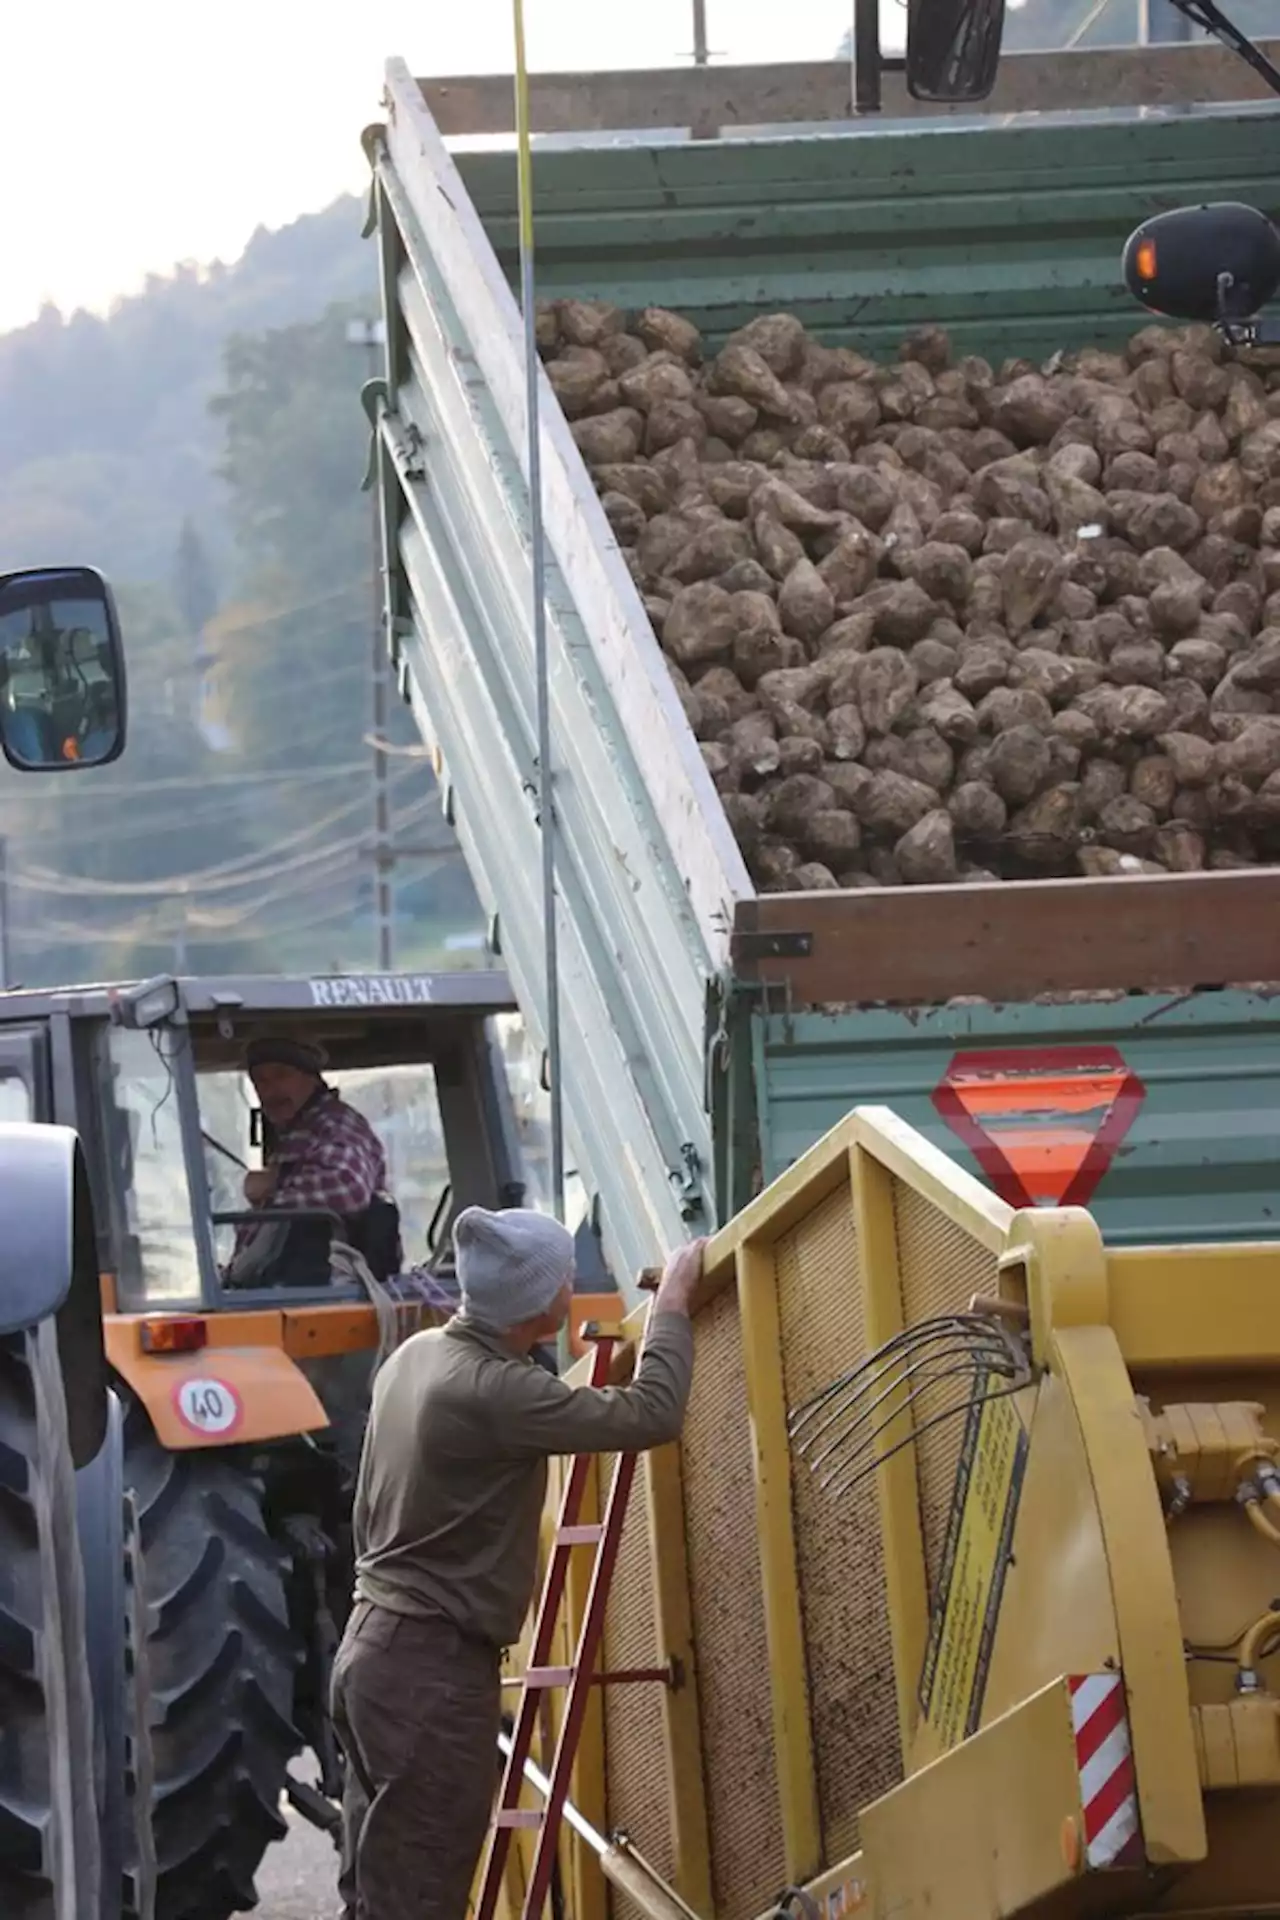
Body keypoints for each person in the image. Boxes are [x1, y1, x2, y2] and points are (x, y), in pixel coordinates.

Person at [330, 1206, 702, 1920]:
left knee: (376, 1891)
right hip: (427, 1675)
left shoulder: (416, 1357)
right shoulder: (495, 1392)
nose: (572, 1281)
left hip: (370, 1650)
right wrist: (674, 1308)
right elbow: (651, 1413)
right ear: (542, 1303)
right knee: (420, 1899)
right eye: (565, 1273)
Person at [228, 1036, 390, 1274]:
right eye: (260, 1081)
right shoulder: (295, 1132)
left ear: (311, 1078)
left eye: (282, 1075)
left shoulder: (334, 1123)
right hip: (280, 1286)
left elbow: (347, 1187)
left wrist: (274, 1184)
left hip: (325, 1289)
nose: (271, 1091)